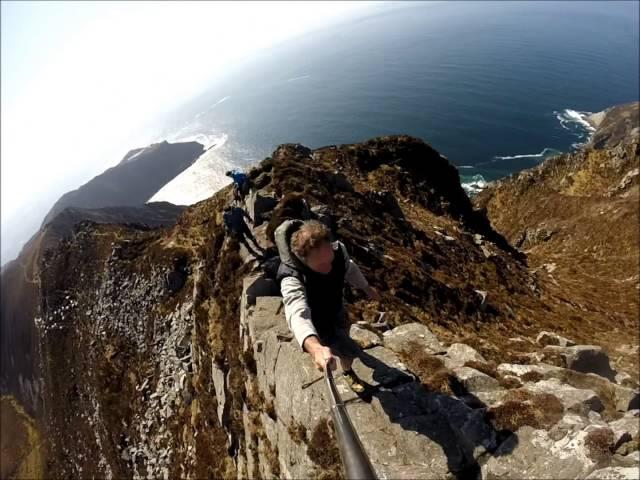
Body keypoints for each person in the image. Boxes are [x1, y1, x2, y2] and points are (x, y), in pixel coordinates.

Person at [274, 219, 380, 393]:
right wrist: (315, 348)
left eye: (329, 260)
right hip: (317, 322)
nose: (328, 268)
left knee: (344, 337)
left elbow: (349, 268)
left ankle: (346, 349)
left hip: (336, 307)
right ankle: (348, 372)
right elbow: (296, 311)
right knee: (345, 352)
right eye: (320, 265)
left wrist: (366, 288)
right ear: (302, 259)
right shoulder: (291, 278)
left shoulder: (338, 251)